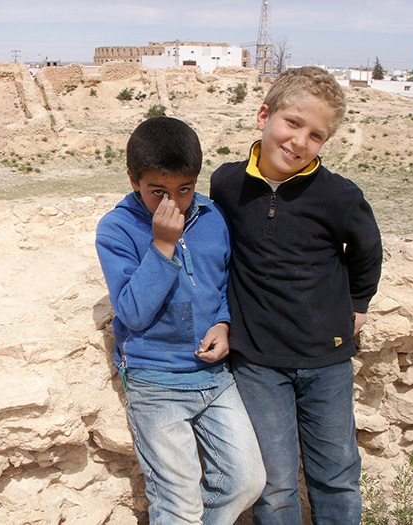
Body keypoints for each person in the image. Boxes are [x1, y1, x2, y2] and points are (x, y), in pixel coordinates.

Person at [210, 66, 383, 524]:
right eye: (292, 122)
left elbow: (367, 251)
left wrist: (359, 305)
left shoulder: (339, 196)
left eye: (316, 135)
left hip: (326, 361)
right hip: (258, 361)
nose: (299, 141)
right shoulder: (226, 184)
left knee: (337, 475)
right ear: (264, 114)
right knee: (276, 484)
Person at [95, 116, 265, 524]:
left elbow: (221, 284)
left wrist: (223, 324)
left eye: (184, 190)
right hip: (156, 380)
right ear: (134, 179)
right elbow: (133, 312)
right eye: (158, 192)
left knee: (246, 480)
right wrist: (162, 244)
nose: (172, 202)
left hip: (213, 377)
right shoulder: (116, 229)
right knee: (178, 502)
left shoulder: (211, 218)